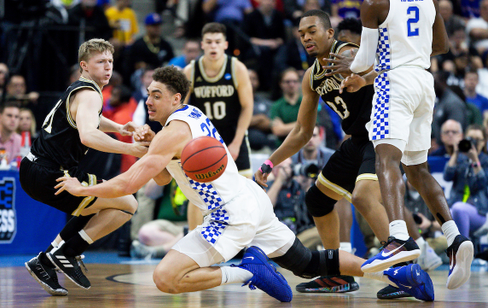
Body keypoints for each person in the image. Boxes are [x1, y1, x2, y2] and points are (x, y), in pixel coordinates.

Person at [55, 65, 435, 302]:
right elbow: (157, 172)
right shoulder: (189, 117)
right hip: (250, 198)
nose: (148, 101)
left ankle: (248, 270)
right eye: (147, 95)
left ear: (175, 97)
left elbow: (131, 182)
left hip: (229, 215)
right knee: (307, 263)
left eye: (156, 96)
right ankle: (398, 274)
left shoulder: (171, 133)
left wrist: (85, 189)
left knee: (166, 279)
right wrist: (144, 144)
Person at [338, 0, 473, 290]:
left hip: (394, 85)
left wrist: (351, 65)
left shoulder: (375, 3)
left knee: (386, 160)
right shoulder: (429, 1)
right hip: (424, 83)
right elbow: (440, 46)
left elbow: (362, 61)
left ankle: (398, 238)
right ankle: (454, 238)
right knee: (418, 170)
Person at [255, 10, 390, 294]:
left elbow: (386, 73)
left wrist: (360, 68)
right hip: (356, 140)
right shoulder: (311, 77)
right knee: (317, 199)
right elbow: (303, 132)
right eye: (302, 33)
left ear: (330, 33)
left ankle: (403, 270)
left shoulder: (350, 52)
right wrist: (270, 162)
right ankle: (337, 272)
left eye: (312, 30)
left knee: (364, 197)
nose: (306, 37)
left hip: (382, 135)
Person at [20, 38, 150, 297]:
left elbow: (91, 119)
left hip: (40, 169)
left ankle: (46, 261)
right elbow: (88, 135)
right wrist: (131, 148)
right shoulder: (90, 93)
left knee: (97, 205)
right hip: (49, 173)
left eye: (110, 61)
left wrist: (119, 128)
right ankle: (64, 253)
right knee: (127, 203)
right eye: (101, 61)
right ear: (84, 65)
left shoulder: (83, 91)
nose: (108, 67)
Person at [183, 22, 253, 177]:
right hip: (203, 136)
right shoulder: (190, 71)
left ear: (225, 45)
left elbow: (248, 106)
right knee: (205, 189)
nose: (213, 46)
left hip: (232, 132)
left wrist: (236, 143)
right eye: (208, 42)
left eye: (217, 42)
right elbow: (181, 109)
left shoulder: (237, 68)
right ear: (202, 45)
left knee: (245, 184)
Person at [445, 125, 488, 238]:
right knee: (445, 213)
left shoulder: (486, 161)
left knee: (459, 208)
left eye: (477, 140)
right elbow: (447, 176)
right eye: (470, 139)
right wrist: (455, 153)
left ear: (484, 142)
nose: (473, 142)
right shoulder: (460, 159)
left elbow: (483, 184)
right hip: (456, 205)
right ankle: (454, 251)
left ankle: (463, 248)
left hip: (478, 211)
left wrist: (475, 160)